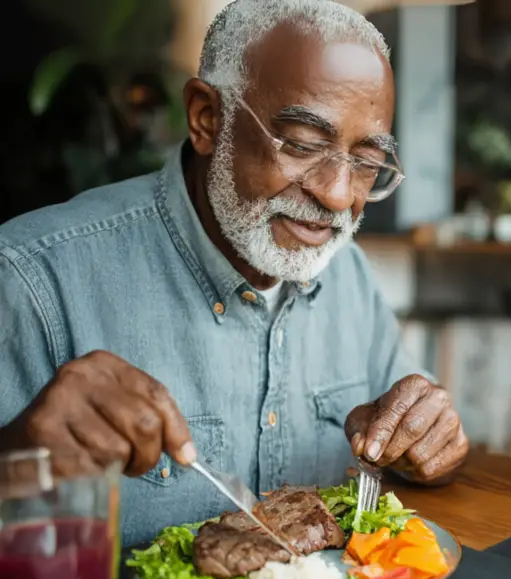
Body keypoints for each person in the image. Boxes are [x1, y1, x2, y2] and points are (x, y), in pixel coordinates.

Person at [0, 0, 468, 546]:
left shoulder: (349, 275)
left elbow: (420, 443)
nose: (339, 195)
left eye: (366, 161)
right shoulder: (33, 275)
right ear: (206, 118)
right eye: (302, 144)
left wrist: (430, 442)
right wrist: (15, 460)